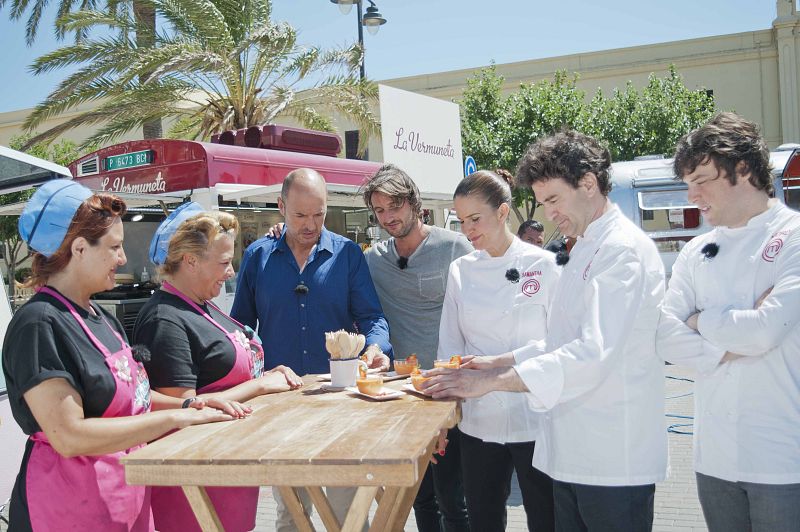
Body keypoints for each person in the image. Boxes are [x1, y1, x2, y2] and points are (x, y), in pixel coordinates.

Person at [423, 131, 668, 532]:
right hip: (572, 449)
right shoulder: (585, 249)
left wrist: (493, 381)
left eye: (553, 200)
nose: (549, 214)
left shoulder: (620, 252)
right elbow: (557, 341)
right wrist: (500, 362)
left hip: (612, 456)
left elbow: (592, 352)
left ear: (588, 183)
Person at [1, 180, 240, 531]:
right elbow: (70, 436)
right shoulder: (39, 325)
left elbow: (132, 398)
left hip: (122, 500)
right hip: (68, 509)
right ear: (79, 249)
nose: (123, 258)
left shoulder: (102, 317)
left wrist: (190, 407)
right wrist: (172, 421)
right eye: (114, 247)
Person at [657, 112, 800, 531]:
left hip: (783, 456)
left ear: (743, 169)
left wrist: (699, 321)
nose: (692, 194)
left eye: (702, 180)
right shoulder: (697, 250)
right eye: (687, 183)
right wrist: (741, 333)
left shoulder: (794, 236)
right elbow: (665, 336)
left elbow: (767, 330)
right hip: (713, 458)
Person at [231, 167, 392, 531]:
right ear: (280, 207)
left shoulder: (348, 255)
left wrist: (376, 348)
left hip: (339, 407)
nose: (310, 224)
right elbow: (241, 330)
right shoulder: (258, 257)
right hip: (279, 409)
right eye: (300, 215)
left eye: (318, 214)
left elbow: (372, 318)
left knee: (347, 514)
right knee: (291, 515)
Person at [133, 203, 303, 532]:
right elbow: (186, 413)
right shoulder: (164, 319)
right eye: (224, 262)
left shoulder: (201, 306)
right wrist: (261, 384)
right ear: (190, 261)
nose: (231, 272)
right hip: (193, 488)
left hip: (227, 471)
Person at [431, 170, 558, 532]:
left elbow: (560, 341)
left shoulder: (544, 266)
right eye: (461, 221)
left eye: (476, 219)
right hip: (479, 422)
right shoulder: (460, 270)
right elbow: (450, 348)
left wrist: (504, 364)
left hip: (537, 417)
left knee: (546, 519)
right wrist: (443, 419)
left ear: (503, 213)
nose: (468, 229)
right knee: (483, 519)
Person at [361, 163, 472, 532]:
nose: (388, 217)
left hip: (449, 388)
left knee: (454, 499)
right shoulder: (372, 260)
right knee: (419, 497)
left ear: (413, 204)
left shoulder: (454, 247)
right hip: (402, 394)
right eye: (379, 210)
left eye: (394, 206)